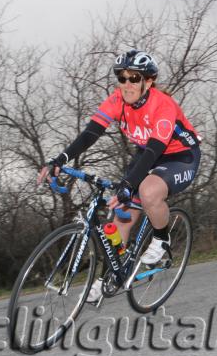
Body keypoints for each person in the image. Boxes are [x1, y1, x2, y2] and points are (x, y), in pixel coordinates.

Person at [36, 49, 201, 302]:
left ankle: (161, 239)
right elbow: (89, 135)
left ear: (148, 81)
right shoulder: (116, 101)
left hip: (179, 156)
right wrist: (61, 160)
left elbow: (156, 149)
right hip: (147, 152)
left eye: (134, 78)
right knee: (119, 219)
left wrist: (128, 184)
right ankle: (107, 278)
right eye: (122, 78)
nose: (127, 84)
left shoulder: (163, 105)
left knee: (147, 192)